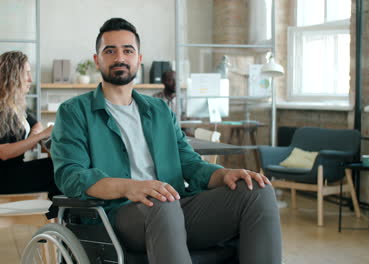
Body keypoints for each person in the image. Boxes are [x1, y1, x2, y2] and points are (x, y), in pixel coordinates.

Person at [51, 18, 282, 264]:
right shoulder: (74, 112)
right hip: (115, 215)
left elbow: (191, 164)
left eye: (128, 50)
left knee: (258, 191)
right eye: (110, 51)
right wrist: (130, 186)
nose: (120, 57)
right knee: (161, 203)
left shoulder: (159, 110)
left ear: (138, 59)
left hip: (173, 207)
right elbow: (71, 175)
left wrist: (224, 174)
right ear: (97, 60)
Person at [0, 51, 59, 197]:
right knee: (59, 170)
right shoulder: (0, 110)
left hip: (12, 172)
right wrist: (40, 136)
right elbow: (4, 153)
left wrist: (34, 136)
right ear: (13, 77)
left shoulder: (12, 105)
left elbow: (36, 124)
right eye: (26, 73)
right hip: (3, 179)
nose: (30, 79)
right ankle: (63, 215)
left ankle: (60, 214)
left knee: (58, 167)